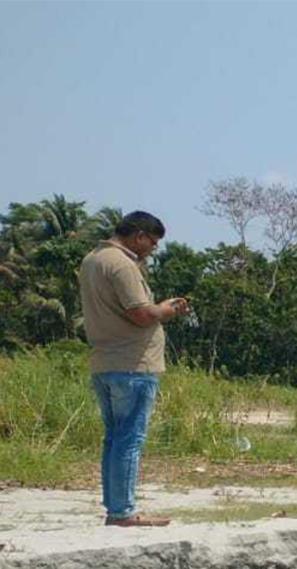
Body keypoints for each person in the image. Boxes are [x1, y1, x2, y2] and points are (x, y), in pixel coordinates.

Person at [79, 211, 189, 527]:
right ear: (139, 235)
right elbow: (141, 314)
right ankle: (123, 512)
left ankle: (116, 508)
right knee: (129, 438)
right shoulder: (122, 264)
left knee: (115, 437)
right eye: (152, 243)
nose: (152, 249)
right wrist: (167, 310)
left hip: (105, 362)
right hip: (133, 364)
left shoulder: (92, 259)